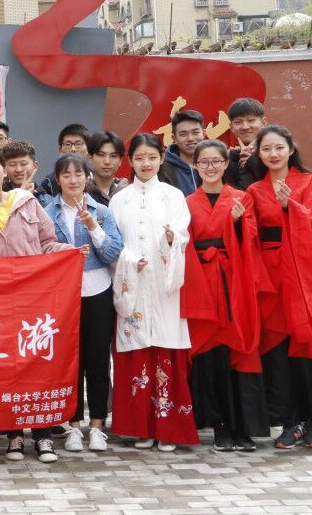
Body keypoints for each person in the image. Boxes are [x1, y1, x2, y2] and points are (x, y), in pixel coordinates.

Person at [0, 148, 75, 463]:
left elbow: (47, 243)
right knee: (5, 368)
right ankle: (14, 435)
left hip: (35, 298)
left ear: (4, 171)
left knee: (38, 365)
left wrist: (70, 252)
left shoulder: (27, 203)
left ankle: (43, 436)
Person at [247, 125, 312, 449]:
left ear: (291, 149)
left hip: (300, 276)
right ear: (258, 154)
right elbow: (253, 234)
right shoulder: (255, 190)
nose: (273, 154)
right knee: (277, 354)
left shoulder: (308, 182)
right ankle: (290, 423)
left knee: (307, 348)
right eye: (266, 149)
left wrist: (292, 206)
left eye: (279, 147)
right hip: (271, 278)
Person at [109, 134, 199, 452]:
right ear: (130, 161)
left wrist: (172, 240)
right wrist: (129, 261)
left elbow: (182, 235)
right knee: (135, 350)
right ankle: (141, 428)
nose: (145, 164)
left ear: (161, 158)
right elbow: (113, 243)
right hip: (132, 284)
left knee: (166, 348)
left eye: (151, 157)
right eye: (139, 158)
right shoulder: (119, 200)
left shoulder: (173, 196)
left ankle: (168, 428)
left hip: (164, 285)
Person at [183, 140, 270, 453]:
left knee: (239, 350)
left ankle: (243, 427)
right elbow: (184, 243)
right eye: (204, 162)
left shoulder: (241, 198)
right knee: (210, 352)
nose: (210, 167)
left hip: (234, 281)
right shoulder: (187, 202)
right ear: (195, 166)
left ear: (226, 164)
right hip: (202, 283)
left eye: (216, 162)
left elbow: (253, 238)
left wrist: (238, 224)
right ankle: (219, 424)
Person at [43, 154, 122, 454]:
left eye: (78, 174)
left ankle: (98, 426)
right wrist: (66, 251)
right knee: (70, 363)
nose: (73, 180)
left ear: (87, 177)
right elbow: (40, 249)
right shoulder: (47, 212)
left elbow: (114, 252)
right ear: (58, 179)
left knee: (98, 361)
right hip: (63, 295)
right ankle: (73, 425)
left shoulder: (101, 211)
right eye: (66, 175)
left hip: (99, 290)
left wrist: (93, 228)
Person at [37, 123, 92, 198]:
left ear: (88, 148)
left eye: (78, 144)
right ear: (60, 150)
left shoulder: (96, 179)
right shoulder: (49, 182)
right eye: (68, 144)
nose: (73, 149)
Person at [225, 98, 267, 190]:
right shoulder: (227, 159)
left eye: (251, 120)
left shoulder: (274, 155)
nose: (245, 127)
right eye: (238, 122)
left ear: (263, 122)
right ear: (231, 127)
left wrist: (253, 162)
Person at [164, 109, 205, 196]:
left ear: (204, 133)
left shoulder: (216, 164)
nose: (190, 138)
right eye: (183, 134)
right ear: (174, 138)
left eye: (195, 132)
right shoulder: (163, 168)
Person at [87, 131, 129, 206]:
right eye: (101, 155)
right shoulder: (81, 192)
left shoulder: (130, 193)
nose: (107, 161)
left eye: (113, 156)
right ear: (90, 158)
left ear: (120, 161)